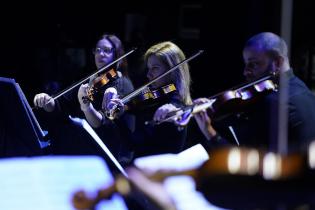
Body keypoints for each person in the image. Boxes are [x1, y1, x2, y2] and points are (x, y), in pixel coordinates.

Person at [193, 32, 315, 153]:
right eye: (246, 64)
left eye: (253, 64)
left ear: (278, 63)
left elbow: (242, 163)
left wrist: (208, 131)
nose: (245, 72)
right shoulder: (302, 88)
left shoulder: (273, 102)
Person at [33, 34, 135, 164]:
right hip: (86, 149)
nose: (100, 54)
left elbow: (100, 122)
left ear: (117, 54)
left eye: (107, 50)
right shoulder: (92, 80)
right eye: (97, 50)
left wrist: (86, 106)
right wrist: (47, 100)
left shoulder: (123, 83)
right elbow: (62, 103)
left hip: (109, 153)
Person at [88, 41, 193, 160]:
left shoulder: (175, 108)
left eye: (155, 68)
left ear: (173, 70)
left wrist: (118, 117)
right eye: (148, 68)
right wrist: (116, 104)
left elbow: (134, 145)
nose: (148, 74)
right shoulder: (151, 97)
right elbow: (132, 143)